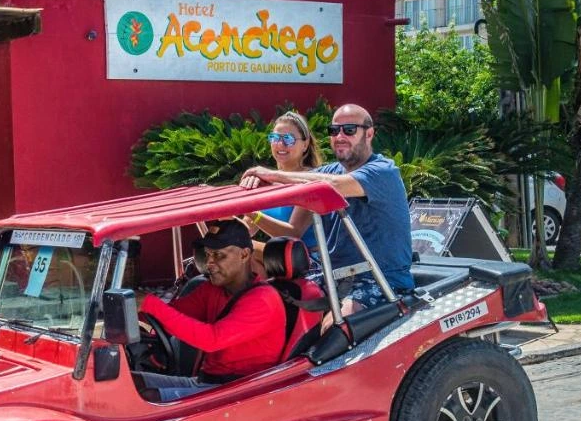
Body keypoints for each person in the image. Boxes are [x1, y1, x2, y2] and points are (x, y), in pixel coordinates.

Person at [240, 104, 414, 313]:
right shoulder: (328, 171)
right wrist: (255, 182)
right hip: (331, 276)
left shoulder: (383, 171)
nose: (340, 136)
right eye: (334, 130)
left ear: (369, 134)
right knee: (262, 304)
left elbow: (333, 185)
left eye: (349, 130)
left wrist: (271, 175)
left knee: (337, 329)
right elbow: (300, 184)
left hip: (380, 279)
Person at [136, 219, 316, 402]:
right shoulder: (213, 289)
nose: (209, 263)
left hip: (241, 394)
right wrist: (132, 311)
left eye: (218, 255)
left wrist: (151, 305)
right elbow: (173, 314)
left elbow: (212, 339)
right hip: (207, 383)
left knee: (146, 400)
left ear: (244, 255)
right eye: (207, 255)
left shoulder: (263, 300)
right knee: (131, 383)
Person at [254, 110, 322, 251]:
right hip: (281, 260)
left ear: (305, 144)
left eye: (288, 139)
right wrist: (225, 213)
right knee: (233, 248)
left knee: (241, 249)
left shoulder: (311, 180)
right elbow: (245, 231)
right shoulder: (266, 180)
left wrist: (250, 213)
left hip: (312, 263)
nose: (280, 144)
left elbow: (293, 235)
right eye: (275, 138)